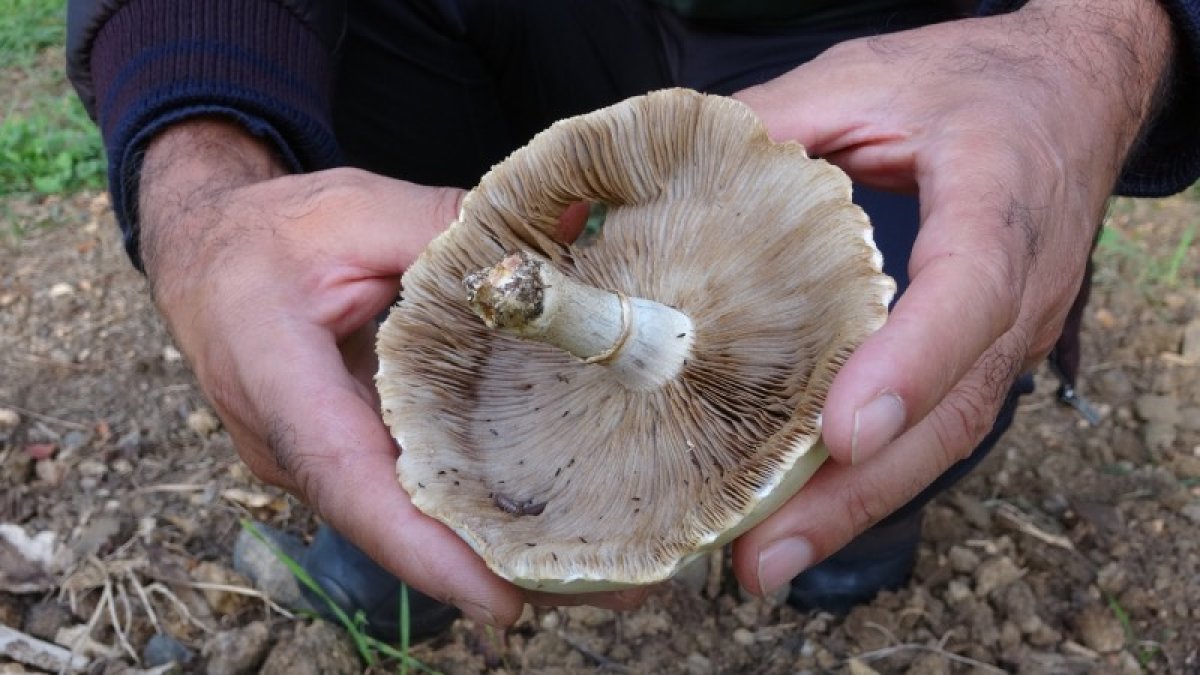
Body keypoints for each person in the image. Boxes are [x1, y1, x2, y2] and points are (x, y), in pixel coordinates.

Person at [68, 0, 1199, 639]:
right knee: (426, 211)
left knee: (924, 347)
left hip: (886, 28)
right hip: (493, 23)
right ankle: (386, 500)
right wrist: (197, 173)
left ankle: (866, 536)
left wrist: (1100, 41)